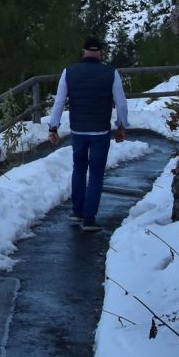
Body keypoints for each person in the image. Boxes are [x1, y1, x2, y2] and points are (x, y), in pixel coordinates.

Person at [46, 36, 128, 232]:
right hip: (100, 131)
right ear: (100, 52)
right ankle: (89, 219)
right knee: (97, 174)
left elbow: (59, 102)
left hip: (78, 131)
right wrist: (121, 126)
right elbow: (121, 102)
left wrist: (53, 127)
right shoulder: (111, 73)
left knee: (79, 169)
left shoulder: (69, 72)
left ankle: (77, 211)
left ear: (83, 51)